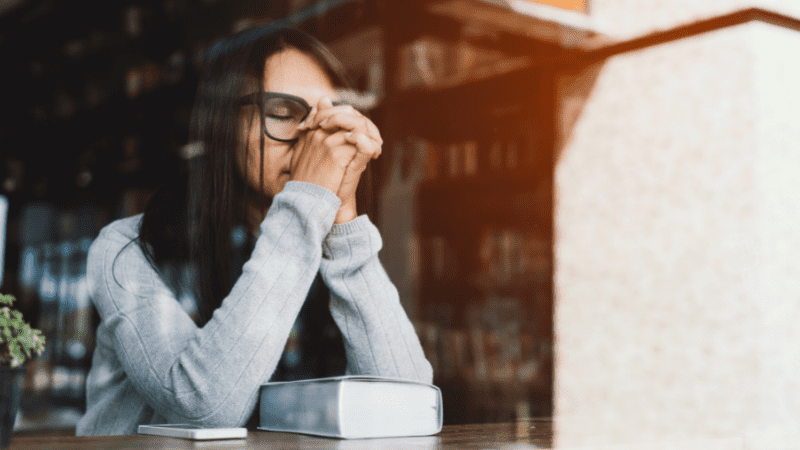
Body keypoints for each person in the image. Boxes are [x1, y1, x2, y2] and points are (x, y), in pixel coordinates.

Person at [76, 27, 433, 436]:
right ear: (222, 125)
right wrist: (309, 200)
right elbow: (204, 408)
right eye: (282, 113)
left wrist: (344, 225)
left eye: (329, 120)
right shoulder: (125, 250)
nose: (314, 141)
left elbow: (410, 406)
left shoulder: (316, 245)